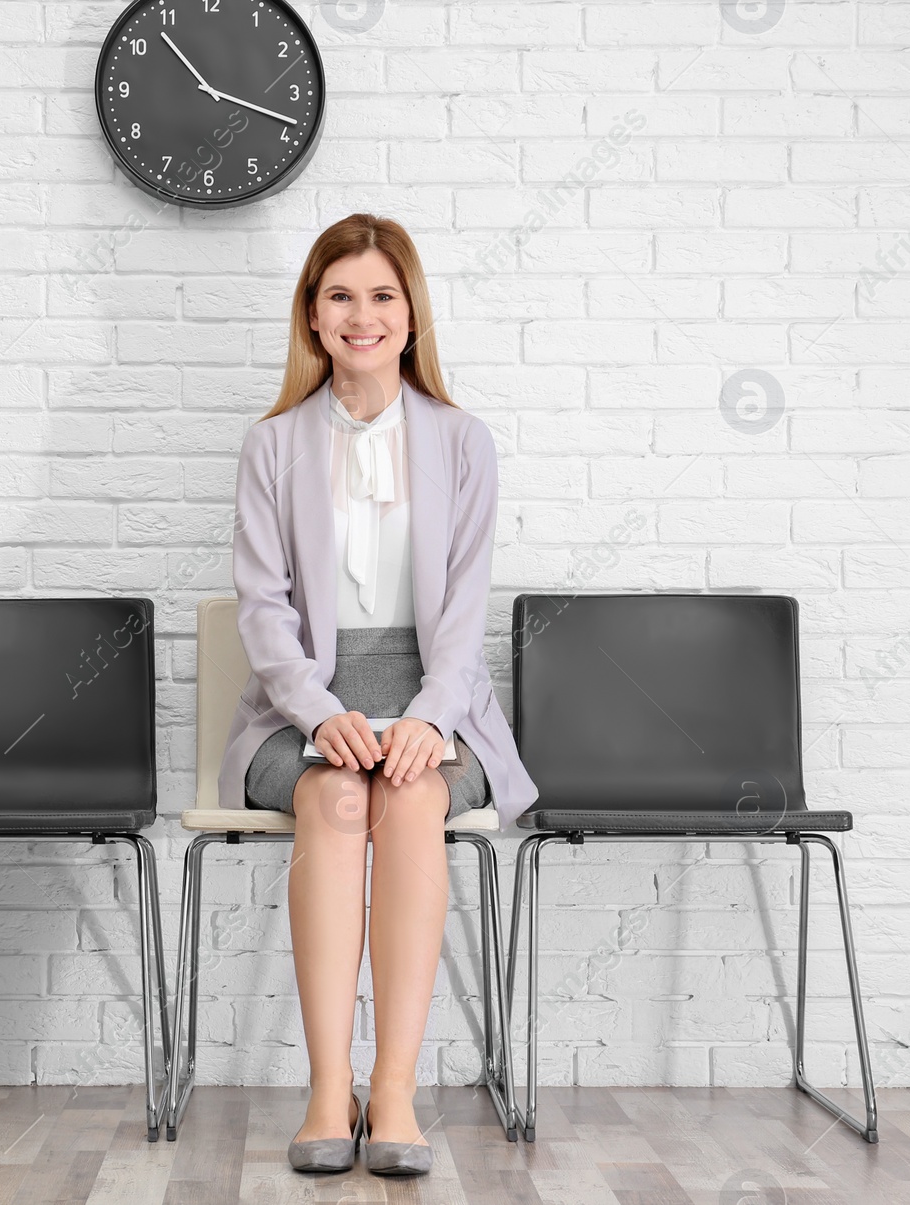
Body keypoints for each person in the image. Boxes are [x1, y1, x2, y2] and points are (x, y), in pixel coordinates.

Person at [219, 212, 539, 1176]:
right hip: (299, 707)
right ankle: (329, 1088)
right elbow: (264, 614)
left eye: (383, 295)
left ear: (411, 314)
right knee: (340, 791)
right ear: (313, 317)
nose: (363, 315)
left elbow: (465, 617)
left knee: (412, 797)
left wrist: (430, 718)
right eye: (341, 296)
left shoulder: (463, 440)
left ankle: (392, 1089)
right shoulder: (272, 445)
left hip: (440, 700)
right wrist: (322, 712)